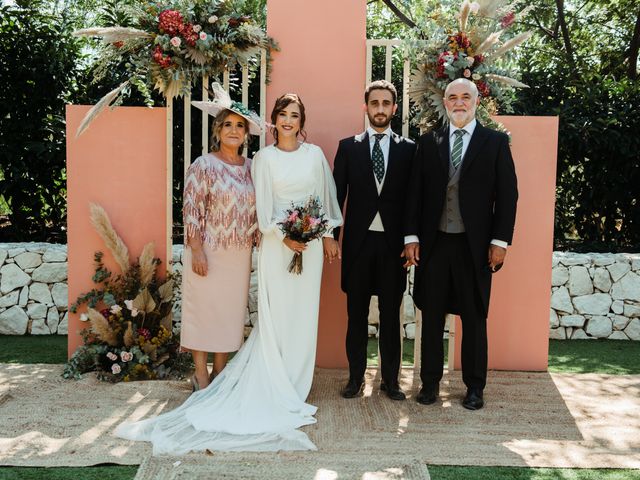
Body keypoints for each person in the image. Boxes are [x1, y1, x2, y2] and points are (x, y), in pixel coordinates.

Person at [114, 92, 342, 454]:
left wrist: (321, 232)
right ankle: (216, 375)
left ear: (301, 121)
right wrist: (276, 235)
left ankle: (275, 380)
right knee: (243, 313)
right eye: (282, 114)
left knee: (269, 314)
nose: (287, 120)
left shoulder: (284, 159)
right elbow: (231, 206)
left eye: (294, 115)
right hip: (247, 245)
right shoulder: (238, 161)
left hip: (276, 248)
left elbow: (313, 198)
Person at [403, 78, 518, 410]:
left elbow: (508, 196)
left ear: (476, 101)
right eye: (452, 97)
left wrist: (499, 241)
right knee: (433, 314)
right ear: (444, 101)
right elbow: (415, 192)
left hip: (475, 245)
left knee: (474, 316)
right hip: (435, 243)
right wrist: (411, 236)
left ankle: (474, 387)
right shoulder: (429, 142)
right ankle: (429, 385)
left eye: (465, 97)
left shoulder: (494, 142)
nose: (458, 102)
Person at [333, 80, 416, 401]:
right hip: (357, 246)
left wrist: (411, 239)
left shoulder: (409, 149)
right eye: (375, 103)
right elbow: (337, 196)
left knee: (391, 317)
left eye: (386, 104)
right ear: (365, 107)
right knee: (355, 316)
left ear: (394, 109)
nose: (380, 109)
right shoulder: (348, 147)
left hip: (394, 248)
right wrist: (332, 237)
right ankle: (355, 379)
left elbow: (413, 200)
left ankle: (391, 381)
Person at [181, 83, 261, 392]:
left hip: (238, 255)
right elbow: (191, 210)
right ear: (218, 130)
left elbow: (260, 209)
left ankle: (219, 373)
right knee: (204, 311)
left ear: (246, 135)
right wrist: (197, 249)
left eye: (239, 126)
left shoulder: (253, 168)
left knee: (228, 315)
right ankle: (200, 374)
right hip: (208, 250)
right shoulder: (204, 165)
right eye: (227, 124)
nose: (233, 130)